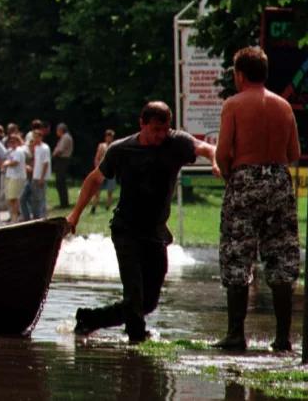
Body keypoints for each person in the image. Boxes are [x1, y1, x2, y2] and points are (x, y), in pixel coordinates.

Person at [68, 101, 217, 343]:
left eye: (164, 129)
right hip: (126, 230)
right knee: (134, 295)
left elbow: (206, 148)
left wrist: (215, 161)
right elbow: (94, 179)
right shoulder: (121, 149)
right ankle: (136, 343)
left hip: (156, 233)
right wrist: (75, 214)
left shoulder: (176, 143)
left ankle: (91, 319)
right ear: (142, 124)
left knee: (148, 302)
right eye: (155, 130)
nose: (160, 135)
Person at [212, 46, 301, 352]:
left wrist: (230, 176)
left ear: (239, 74)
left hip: (244, 178)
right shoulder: (283, 106)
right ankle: (283, 338)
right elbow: (294, 154)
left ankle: (236, 333)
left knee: (237, 253)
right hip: (278, 181)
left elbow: (223, 153)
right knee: (280, 255)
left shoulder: (233, 105)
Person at [24, 129, 51, 220]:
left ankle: (43, 216)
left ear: (40, 137)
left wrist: (42, 177)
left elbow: (45, 163)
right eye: (34, 137)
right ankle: (36, 216)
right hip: (35, 175)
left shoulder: (45, 148)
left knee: (41, 197)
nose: (35, 139)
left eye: (36, 137)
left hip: (41, 177)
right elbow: (36, 161)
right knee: (35, 198)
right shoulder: (36, 148)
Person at [0, 134, 28, 222]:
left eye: (14, 141)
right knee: (9, 198)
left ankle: (15, 218)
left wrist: (6, 164)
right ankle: (13, 217)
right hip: (10, 176)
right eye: (10, 141)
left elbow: (15, 162)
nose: (11, 143)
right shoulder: (11, 151)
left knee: (13, 198)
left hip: (17, 177)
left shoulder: (19, 151)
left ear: (18, 141)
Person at [90, 129, 117, 214]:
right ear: (106, 137)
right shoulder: (102, 146)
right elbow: (97, 158)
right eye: (108, 137)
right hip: (102, 170)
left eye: (111, 137)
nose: (109, 138)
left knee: (110, 191)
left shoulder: (115, 146)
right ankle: (94, 207)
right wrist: (97, 168)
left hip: (111, 171)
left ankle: (108, 207)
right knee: (97, 191)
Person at [53, 123, 74, 208]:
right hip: (62, 160)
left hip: (62, 160)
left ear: (60, 130)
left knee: (60, 181)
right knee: (60, 182)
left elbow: (60, 150)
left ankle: (64, 203)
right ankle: (63, 202)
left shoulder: (65, 137)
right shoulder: (65, 137)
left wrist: (54, 154)